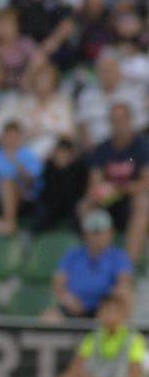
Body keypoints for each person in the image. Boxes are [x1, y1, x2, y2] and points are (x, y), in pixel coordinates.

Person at [81, 103, 149, 263]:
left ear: (130, 120)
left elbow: (146, 183)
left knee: (143, 202)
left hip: (132, 198)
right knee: (85, 205)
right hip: (111, 198)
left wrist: (123, 188)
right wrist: (103, 192)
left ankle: (127, 264)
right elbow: (94, 185)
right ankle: (100, 258)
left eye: (122, 120)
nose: (119, 124)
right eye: (115, 120)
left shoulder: (143, 146)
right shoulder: (103, 149)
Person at [43, 209, 132, 322]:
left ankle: (124, 333)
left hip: (104, 305)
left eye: (100, 232)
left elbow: (123, 283)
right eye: (93, 232)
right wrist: (69, 299)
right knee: (49, 317)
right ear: (85, 234)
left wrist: (106, 302)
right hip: (75, 306)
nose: (97, 237)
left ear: (110, 233)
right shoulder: (73, 255)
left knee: (124, 294)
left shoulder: (118, 256)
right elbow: (58, 282)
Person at [31, 137, 87, 234]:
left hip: (71, 205)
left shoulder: (79, 168)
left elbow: (76, 192)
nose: (62, 156)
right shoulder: (48, 166)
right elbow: (46, 192)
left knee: (79, 214)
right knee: (41, 214)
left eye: (65, 153)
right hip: (51, 204)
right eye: (60, 152)